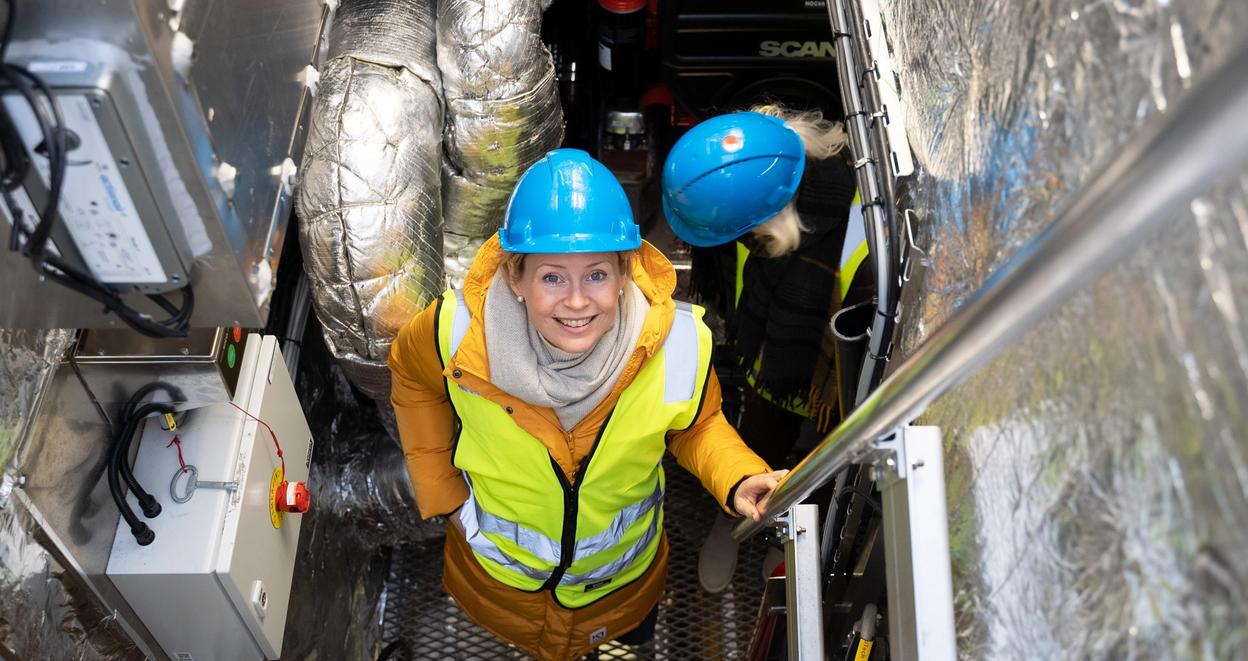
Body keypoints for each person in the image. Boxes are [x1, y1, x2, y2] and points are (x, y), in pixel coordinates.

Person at [388, 148, 786, 660]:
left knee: (632, 639)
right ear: (516, 278)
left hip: (623, 587)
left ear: (624, 274)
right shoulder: (456, 331)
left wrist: (739, 475)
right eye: (552, 277)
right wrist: (439, 490)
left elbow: (698, 425)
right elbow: (411, 376)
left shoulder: (679, 345)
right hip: (502, 587)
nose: (577, 302)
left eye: (596, 275)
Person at [661, 107, 861, 593]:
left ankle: (791, 533)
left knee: (829, 451)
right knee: (760, 432)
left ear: (773, 221)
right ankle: (730, 517)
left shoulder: (855, 230)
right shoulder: (744, 165)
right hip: (767, 349)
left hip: (831, 367)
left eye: (748, 236)